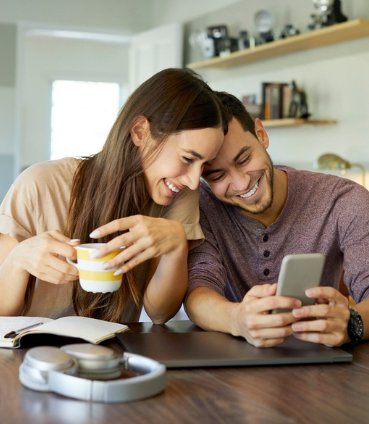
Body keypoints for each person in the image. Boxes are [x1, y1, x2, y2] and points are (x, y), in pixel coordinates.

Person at [0, 68, 226, 323]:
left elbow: (160, 314)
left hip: (114, 354)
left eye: (204, 165)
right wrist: (17, 262)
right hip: (34, 355)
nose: (194, 180)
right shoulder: (39, 185)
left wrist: (175, 246)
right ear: (140, 132)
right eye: (187, 158)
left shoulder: (179, 194)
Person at [186, 91, 369, 348]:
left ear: (261, 134)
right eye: (217, 176)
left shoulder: (344, 200)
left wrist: (352, 323)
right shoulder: (200, 206)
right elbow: (198, 289)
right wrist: (236, 319)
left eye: (244, 159)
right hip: (226, 365)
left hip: (317, 365)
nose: (240, 183)